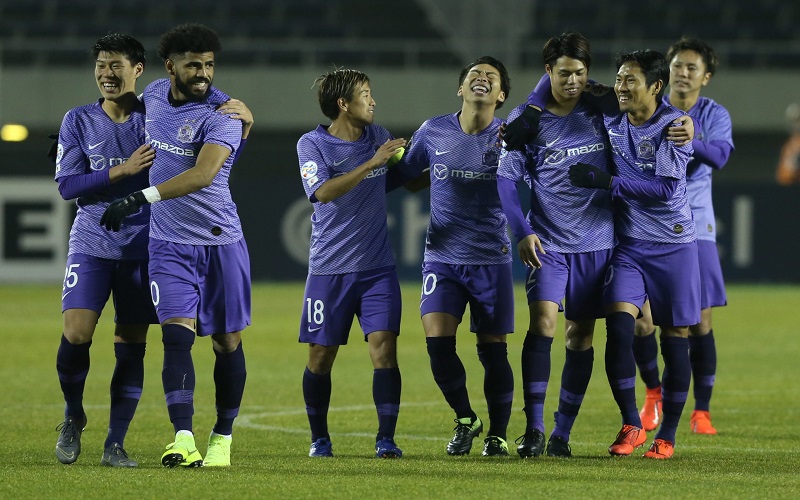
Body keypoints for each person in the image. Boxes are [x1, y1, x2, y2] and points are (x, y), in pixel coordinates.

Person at [101, 23, 253, 468]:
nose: (203, 73)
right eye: (193, 65)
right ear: (170, 67)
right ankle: (183, 438)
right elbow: (121, 108)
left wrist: (139, 197)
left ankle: (222, 437)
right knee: (174, 337)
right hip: (168, 243)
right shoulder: (152, 95)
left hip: (219, 242)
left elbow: (203, 175)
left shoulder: (223, 114)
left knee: (226, 341)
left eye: (208, 65)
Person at [568, 49, 699, 459]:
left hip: (673, 246)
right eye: (620, 79)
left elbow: (665, 190)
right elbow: (563, 81)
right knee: (619, 327)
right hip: (628, 245)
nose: (622, 87)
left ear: (656, 86)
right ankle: (631, 423)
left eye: (631, 80)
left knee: (675, 338)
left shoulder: (673, 127)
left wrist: (606, 182)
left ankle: (668, 434)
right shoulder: (612, 115)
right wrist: (522, 119)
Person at [496, 33, 614, 459]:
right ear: (548, 72)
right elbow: (506, 180)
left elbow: (644, 109)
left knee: (579, 335)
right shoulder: (526, 120)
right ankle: (534, 427)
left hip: (599, 243)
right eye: (564, 73)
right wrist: (522, 230)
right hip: (549, 245)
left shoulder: (601, 109)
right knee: (543, 322)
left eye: (580, 73)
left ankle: (562, 433)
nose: (572, 81)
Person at [393, 56, 515, 456]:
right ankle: (466, 419)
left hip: (491, 258)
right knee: (438, 345)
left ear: (501, 95)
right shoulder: (433, 131)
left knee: (492, 350)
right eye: (474, 75)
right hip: (442, 257)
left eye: (491, 77)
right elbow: (405, 176)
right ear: (461, 89)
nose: (482, 79)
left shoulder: (510, 137)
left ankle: (497, 434)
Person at [53, 33, 154, 468]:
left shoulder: (156, 118)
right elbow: (67, 186)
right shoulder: (78, 119)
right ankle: (73, 414)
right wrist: (122, 171)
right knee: (77, 333)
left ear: (137, 69)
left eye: (116, 65)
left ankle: (115, 442)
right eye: (100, 66)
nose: (106, 74)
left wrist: (240, 117)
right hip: (91, 243)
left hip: (144, 247)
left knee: (130, 342)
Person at [295, 68, 407, 459]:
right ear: (344, 104)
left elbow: (396, 178)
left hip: (378, 269)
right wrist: (371, 163)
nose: (373, 101)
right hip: (329, 270)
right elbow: (323, 192)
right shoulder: (312, 144)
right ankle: (319, 439)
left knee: (384, 349)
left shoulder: (378, 135)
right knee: (320, 357)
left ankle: (386, 439)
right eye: (365, 94)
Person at [633, 38, 734, 436]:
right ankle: (653, 393)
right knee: (641, 319)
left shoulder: (712, 113)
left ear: (705, 77)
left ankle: (701, 410)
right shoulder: (650, 106)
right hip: (647, 221)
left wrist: (689, 139)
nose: (683, 72)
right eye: (677, 65)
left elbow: (720, 156)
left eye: (692, 68)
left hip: (696, 224)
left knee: (700, 320)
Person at [776, 102, 800, 185]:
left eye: (798, 119)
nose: (796, 124)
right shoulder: (790, 145)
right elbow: (783, 176)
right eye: (794, 121)